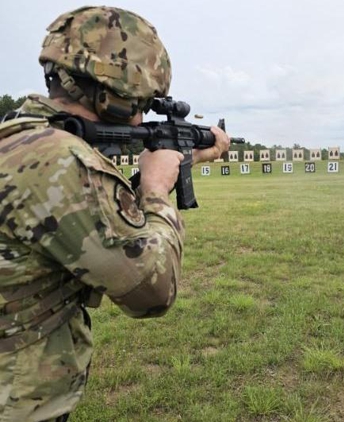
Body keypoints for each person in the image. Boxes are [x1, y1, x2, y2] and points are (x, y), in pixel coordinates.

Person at [0, 6, 230, 422]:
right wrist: (156, 188)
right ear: (112, 96)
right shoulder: (62, 161)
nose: (142, 116)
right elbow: (151, 291)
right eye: (139, 103)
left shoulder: (19, 135)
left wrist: (183, 157)